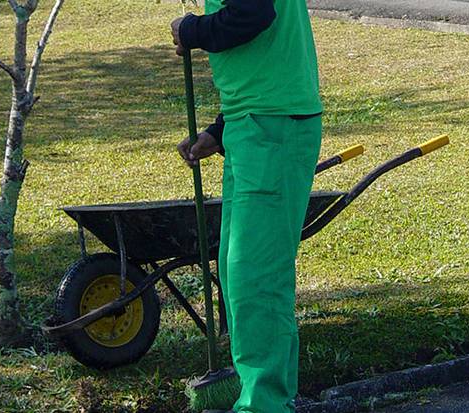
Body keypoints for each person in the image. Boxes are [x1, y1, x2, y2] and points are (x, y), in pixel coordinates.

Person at [171, 0, 323, 411]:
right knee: (240, 272)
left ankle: (265, 404)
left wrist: (191, 30)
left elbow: (252, 14)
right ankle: (259, 395)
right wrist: (221, 130)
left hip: (272, 125)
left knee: (256, 276)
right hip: (252, 124)